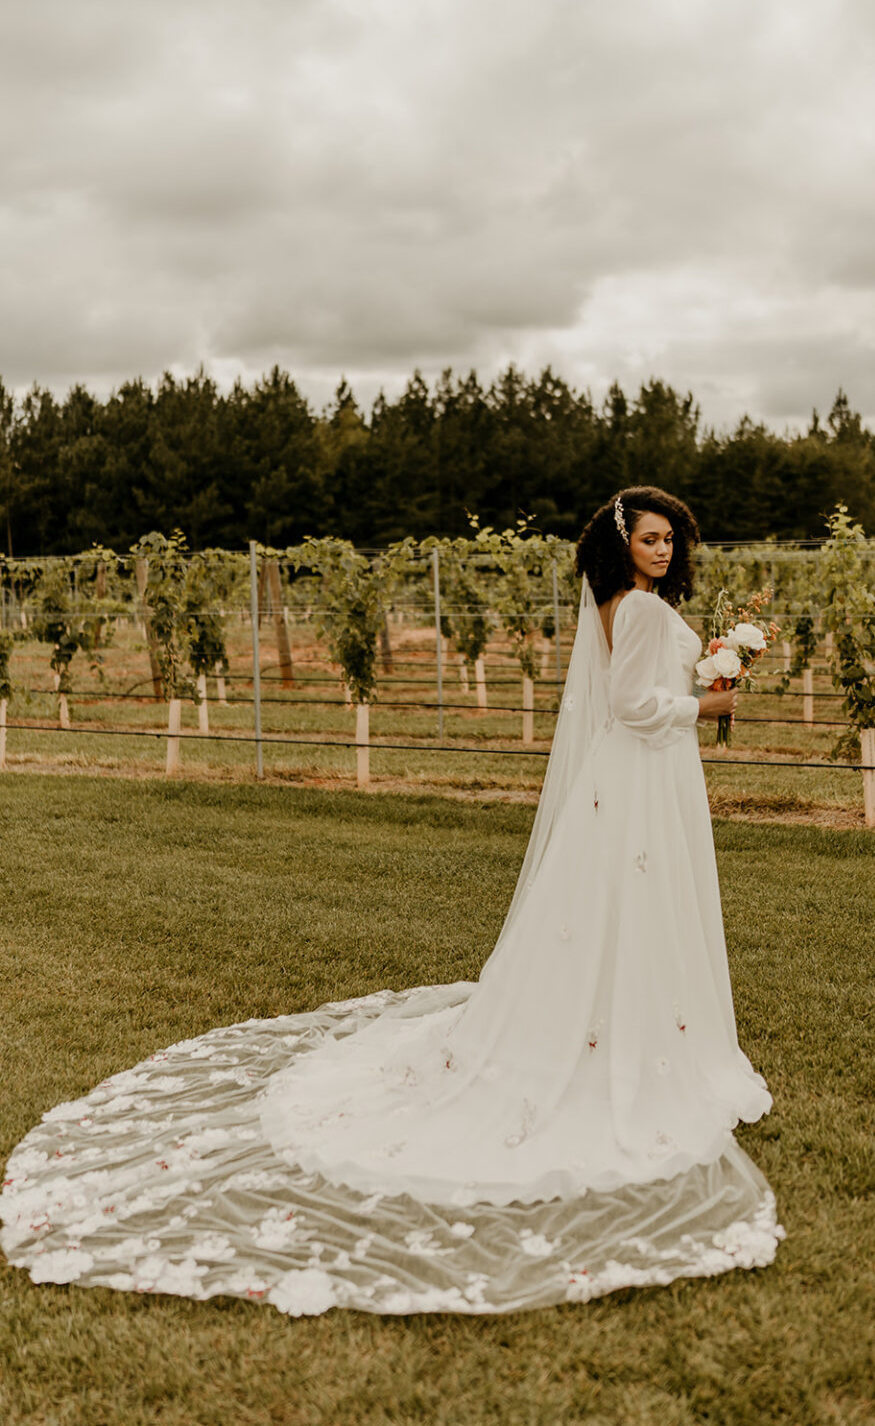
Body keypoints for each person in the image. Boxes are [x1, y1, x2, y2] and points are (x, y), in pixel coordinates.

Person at [0, 486, 783, 1316]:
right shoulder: (645, 613)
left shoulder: (619, 605)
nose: (662, 550)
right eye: (650, 539)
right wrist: (708, 700)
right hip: (643, 780)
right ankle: (644, 1046)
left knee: (622, 910)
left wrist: (700, 689)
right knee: (641, 902)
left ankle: (629, 1027)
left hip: (631, 780)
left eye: (671, 539)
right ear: (623, 546)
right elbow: (632, 707)